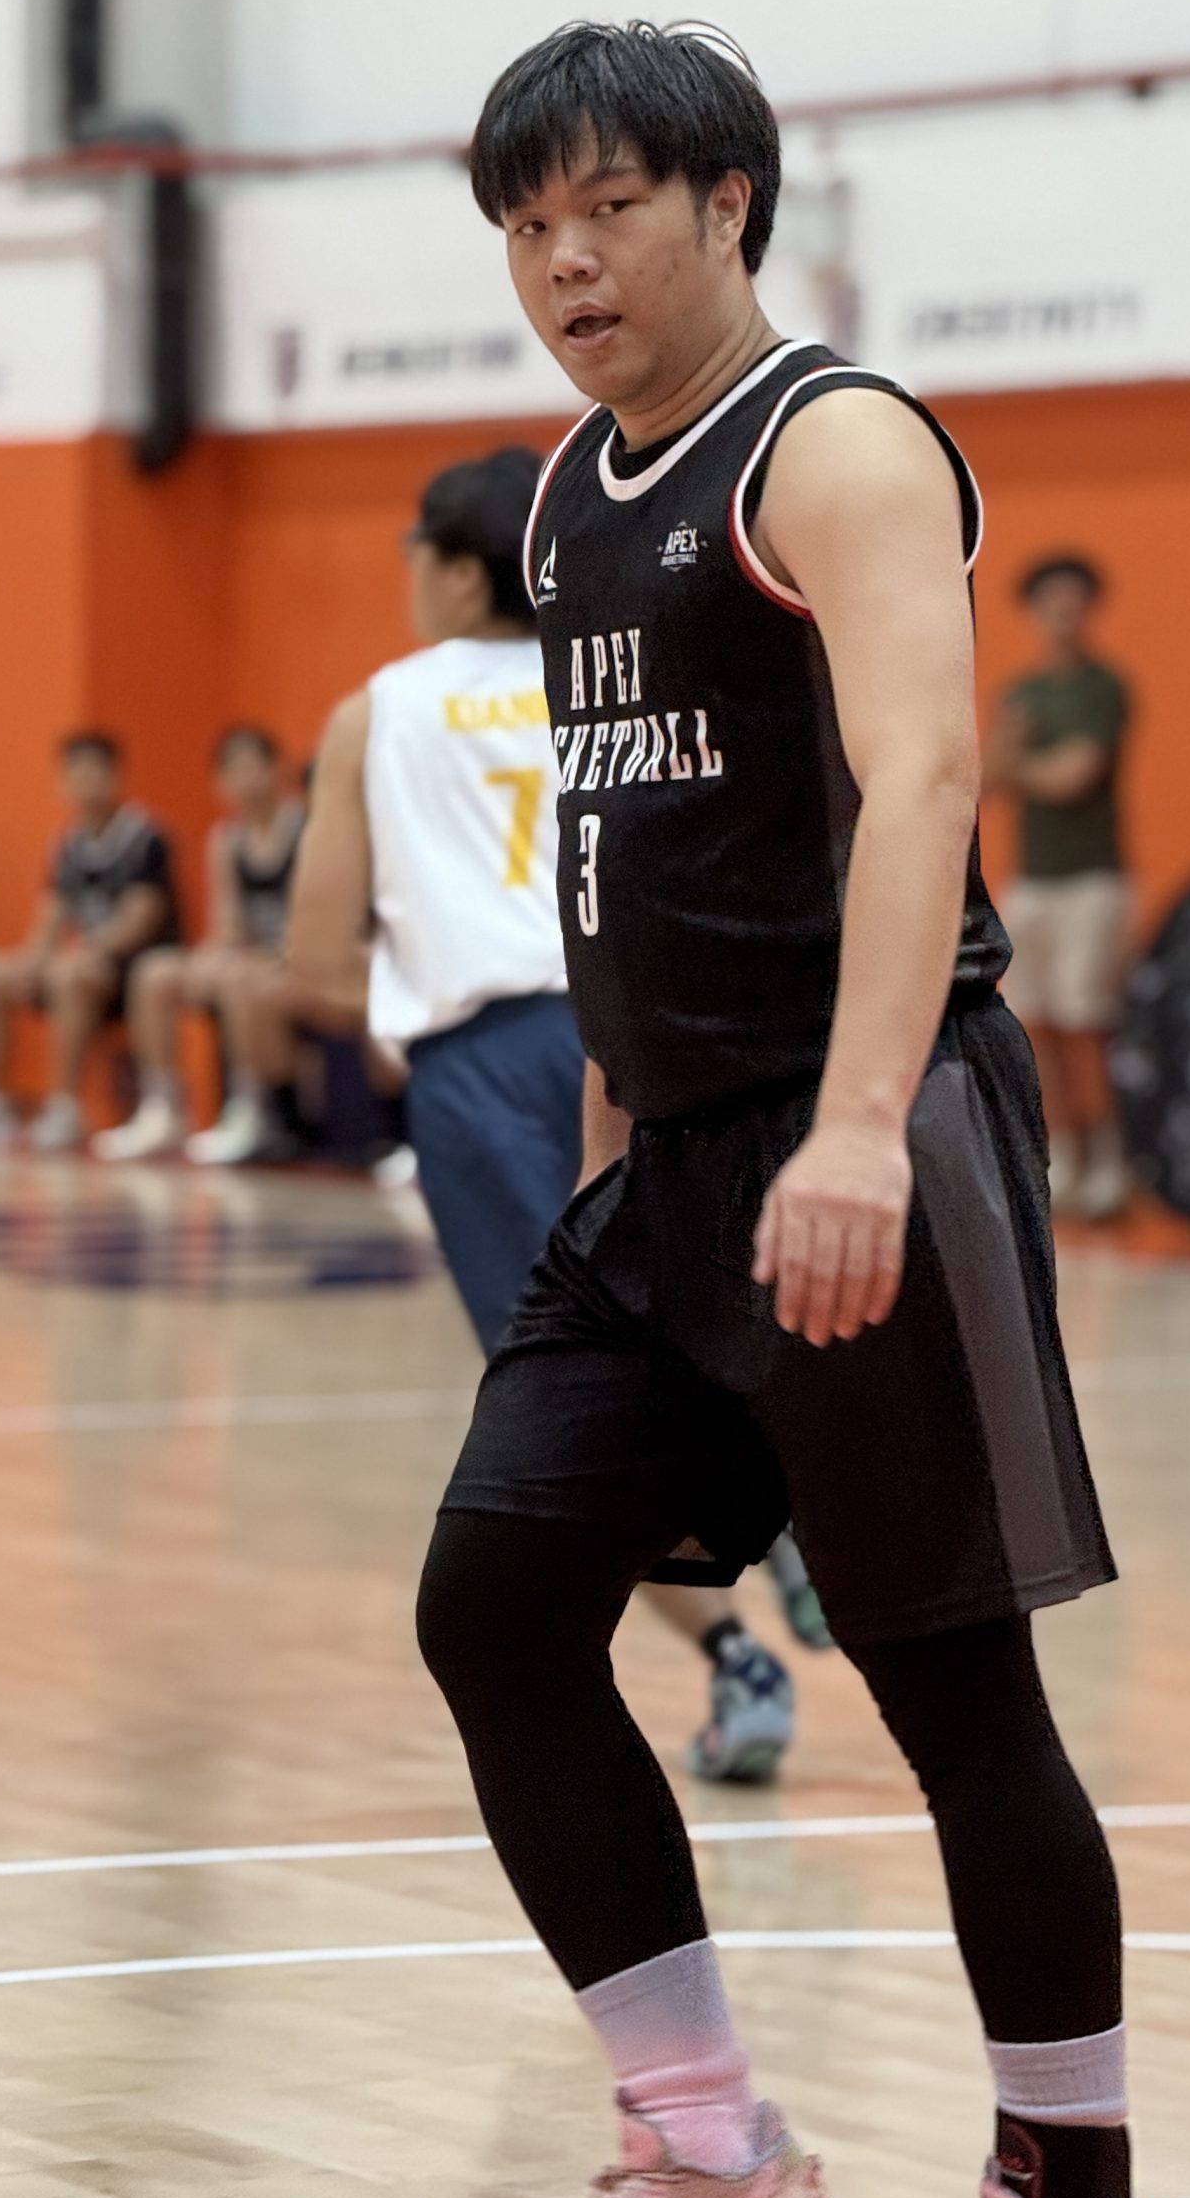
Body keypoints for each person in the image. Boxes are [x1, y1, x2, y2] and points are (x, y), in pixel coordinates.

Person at [414, 22, 1158, 2198]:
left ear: (729, 203)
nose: (566, 261)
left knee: (956, 1696)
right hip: (667, 1172)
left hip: (870, 1128)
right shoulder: (572, 493)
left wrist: (853, 1129)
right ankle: (712, 2147)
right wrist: (607, 1150)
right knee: (496, 1611)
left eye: (609, 208)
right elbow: (623, 862)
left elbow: (924, 782)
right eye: (529, 226)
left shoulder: (832, 446)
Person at [287, 445, 820, 1785]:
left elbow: (312, 962)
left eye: (418, 553)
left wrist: (409, 1025)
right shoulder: (616, 664)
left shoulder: (377, 712)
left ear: (463, 576)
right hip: (650, 1032)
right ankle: (790, 1500)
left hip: (485, 1069)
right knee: (694, 1321)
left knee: (566, 1401)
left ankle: (738, 1652)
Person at [0, 732, 179, 1153]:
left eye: (93, 771)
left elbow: (139, 920)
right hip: (80, 963)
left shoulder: (145, 837)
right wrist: (34, 960)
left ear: (115, 776)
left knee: (68, 976)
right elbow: (51, 914)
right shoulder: (67, 843)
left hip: (127, 970)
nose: (83, 782)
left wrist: (83, 953)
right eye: (73, 773)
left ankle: (64, 1106)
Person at [982, 556, 1135, 1221]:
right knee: (1036, 1024)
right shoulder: (1019, 694)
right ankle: (1064, 1156)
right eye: (1050, 602)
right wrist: (1013, 751)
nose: (1061, 614)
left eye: (1073, 601)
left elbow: (1075, 775)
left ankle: (1111, 1162)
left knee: (1085, 1024)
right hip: (1033, 884)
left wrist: (1018, 760)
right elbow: (985, 780)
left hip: (1091, 883)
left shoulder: (1103, 688)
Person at [91, 724, 318, 1163]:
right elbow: (228, 924)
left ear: (277, 771)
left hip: (298, 959)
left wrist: (250, 960)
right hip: (250, 957)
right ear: (219, 782)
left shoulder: (305, 830)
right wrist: (211, 957)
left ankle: (251, 1110)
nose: (245, 781)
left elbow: (313, 923)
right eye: (233, 772)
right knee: (155, 973)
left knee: (239, 978)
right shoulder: (226, 838)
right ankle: (162, 1109)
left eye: (254, 768)